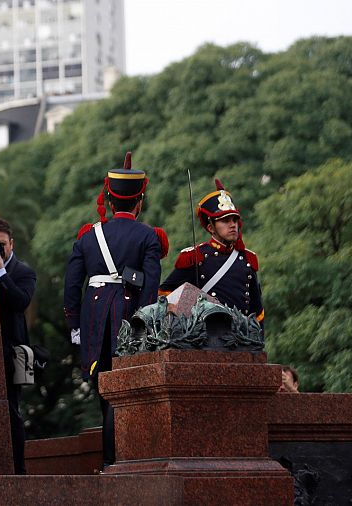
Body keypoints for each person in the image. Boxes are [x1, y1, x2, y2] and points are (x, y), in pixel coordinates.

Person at [63, 152, 163, 469]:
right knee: (126, 393)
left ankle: (110, 463)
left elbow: (71, 286)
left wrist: (75, 325)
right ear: (140, 200)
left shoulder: (87, 235)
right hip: (130, 319)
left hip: (94, 319)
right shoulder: (149, 236)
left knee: (104, 390)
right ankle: (119, 461)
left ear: (108, 196)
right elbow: (150, 287)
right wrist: (142, 323)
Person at [159, 179, 264, 327]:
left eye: (235, 220)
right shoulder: (196, 257)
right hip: (205, 338)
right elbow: (165, 296)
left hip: (241, 339)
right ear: (210, 227)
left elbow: (257, 313)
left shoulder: (247, 259)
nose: (233, 225)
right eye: (225, 220)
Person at [0, 218, 36, 475]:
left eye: (1, 245)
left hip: (12, 352)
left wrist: (1, 272)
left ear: (11, 244)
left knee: (12, 411)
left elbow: (20, 302)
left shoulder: (23, 272)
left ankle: (18, 471)